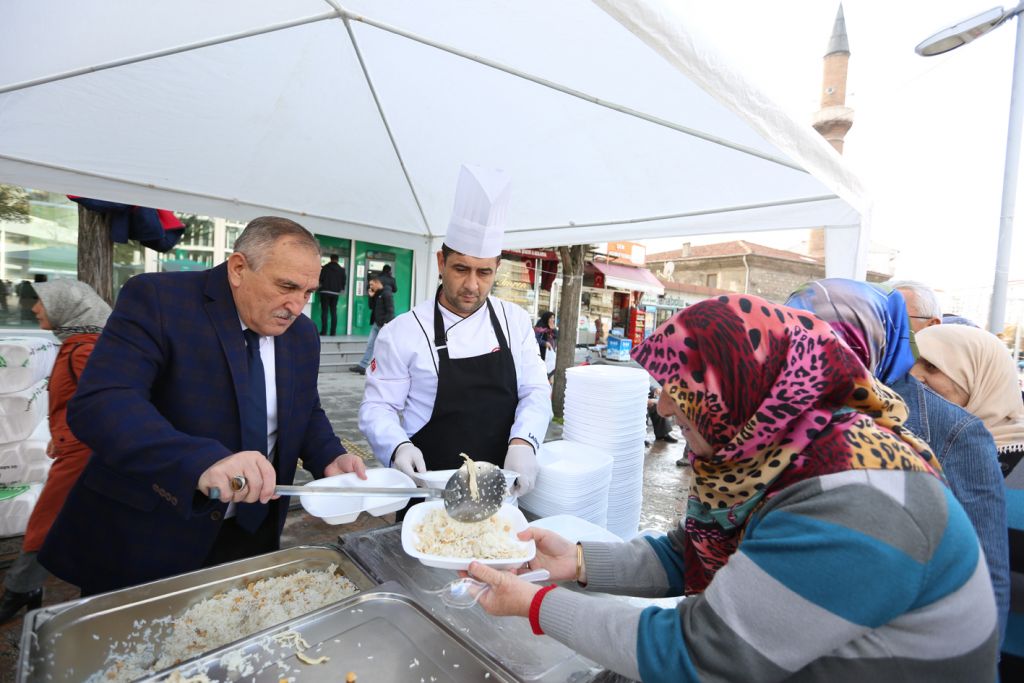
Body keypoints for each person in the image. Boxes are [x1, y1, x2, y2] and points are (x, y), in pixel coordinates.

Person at [465, 295, 998, 682]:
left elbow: (699, 654)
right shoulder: (781, 453)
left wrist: (535, 604)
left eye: (680, 391)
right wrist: (578, 563)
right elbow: (688, 553)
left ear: (745, 393)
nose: (665, 409)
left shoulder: (853, 502)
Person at [38, 217, 366, 596]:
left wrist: (330, 455)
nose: (297, 306)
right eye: (286, 286)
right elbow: (103, 403)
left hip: (251, 532)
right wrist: (200, 461)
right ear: (239, 268)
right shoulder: (159, 300)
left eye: (308, 292)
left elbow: (304, 410)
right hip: (153, 532)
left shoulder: (303, 336)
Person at [785, 278, 1009, 640]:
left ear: (871, 337)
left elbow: (986, 573)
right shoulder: (799, 411)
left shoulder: (951, 428)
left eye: (834, 339)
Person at [359, 164, 550, 496]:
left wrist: (524, 442)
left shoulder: (515, 322)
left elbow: (535, 390)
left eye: (484, 273)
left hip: (500, 494)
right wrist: (397, 447)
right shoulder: (402, 332)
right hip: (429, 493)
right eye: (461, 269)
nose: (472, 285)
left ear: (497, 270)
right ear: (440, 263)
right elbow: (378, 407)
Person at [912, 324, 1024, 677]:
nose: (917, 377)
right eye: (913, 365)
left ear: (979, 375)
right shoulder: (918, 449)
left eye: (932, 367)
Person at [0, 280, 111, 624]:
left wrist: (72, 439)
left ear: (68, 307)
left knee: (45, 524)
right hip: (77, 449)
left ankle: (19, 591)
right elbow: (73, 404)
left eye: (42, 304)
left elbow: (105, 408)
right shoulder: (76, 344)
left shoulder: (85, 350)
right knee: (79, 524)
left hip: (83, 455)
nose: (33, 309)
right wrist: (60, 435)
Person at [318, 253, 345, 336]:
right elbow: (343, 281)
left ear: (330, 259)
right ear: (337, 260)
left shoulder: (325, 268)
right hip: (335, 293)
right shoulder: (341, 270)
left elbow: (320, 279)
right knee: (333, 312)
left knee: (325, 311)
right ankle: (333, 332)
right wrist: (341, 289)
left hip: (325, 292)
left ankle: (324, 331)